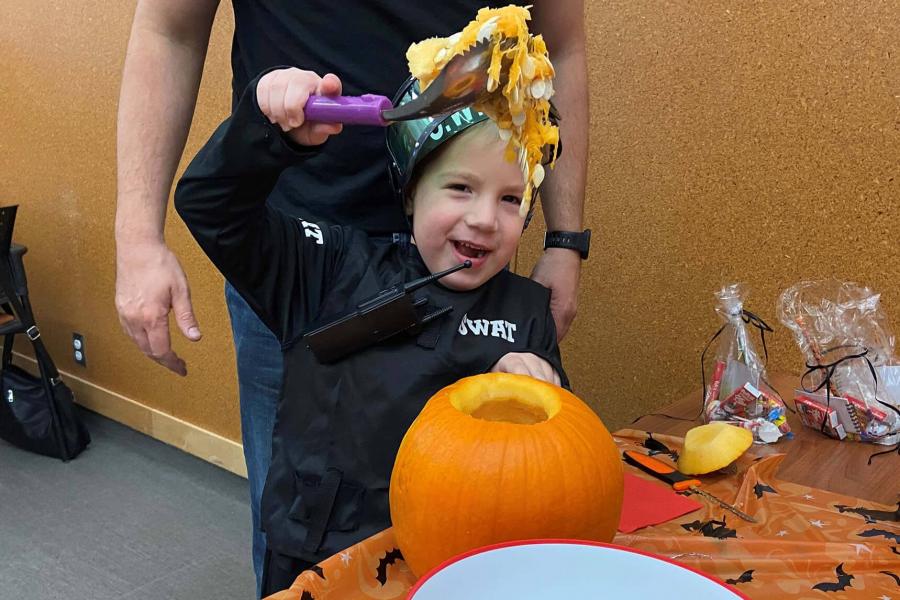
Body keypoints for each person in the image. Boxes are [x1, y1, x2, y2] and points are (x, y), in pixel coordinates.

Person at [115, 1, 588, 592]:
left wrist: (540, 387)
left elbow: (553, 465)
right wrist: (266, 134)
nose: (486, 220)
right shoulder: (318, 273)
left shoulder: (522, 313)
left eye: (511, 200)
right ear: (412, 194)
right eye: (462, 188)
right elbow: (212, 204)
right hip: (320, 555)